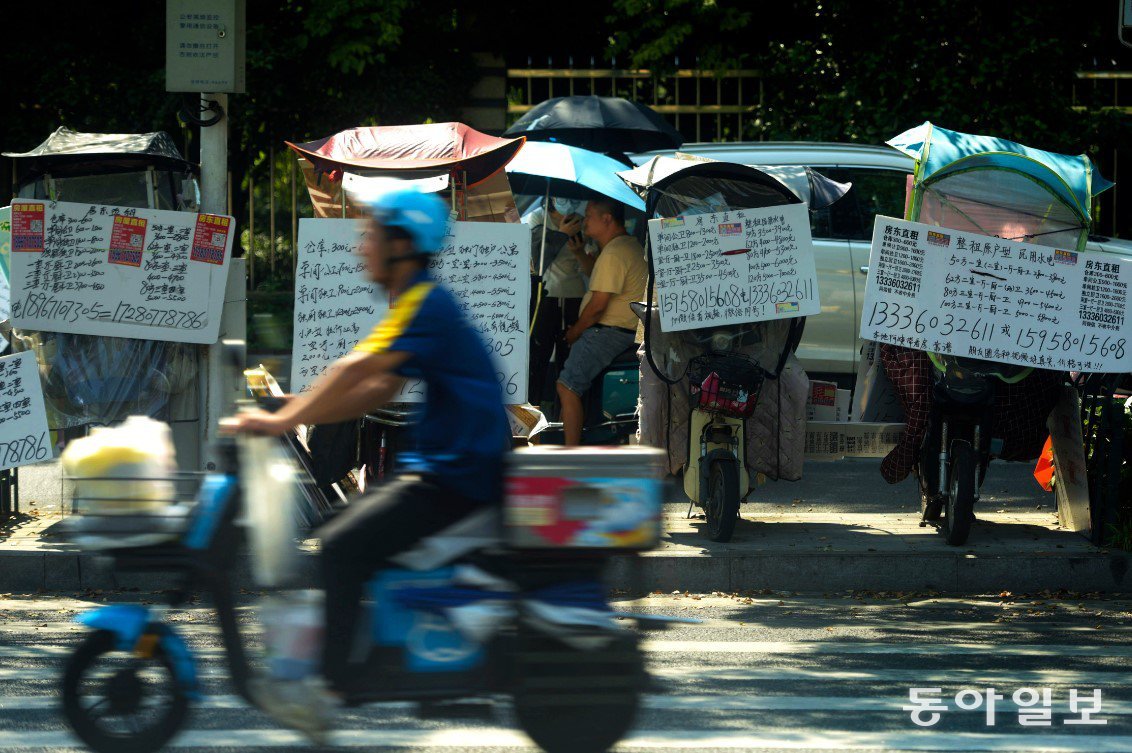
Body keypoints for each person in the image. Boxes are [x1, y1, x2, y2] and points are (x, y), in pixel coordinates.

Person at [229, 186, 511, 740]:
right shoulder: (417, 302)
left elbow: (358, 370)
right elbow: (377, 387)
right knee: (351, 532)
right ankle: (389, 655)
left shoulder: (425, 303)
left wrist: (283, 421)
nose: (362, 246)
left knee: (340, 544)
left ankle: (333, 686)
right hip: (449, 467)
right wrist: (296, 408)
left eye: (372, 235)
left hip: (458, 474)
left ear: (402, 244)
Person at [555, 198, 648, 445]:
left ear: (607, 219)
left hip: (609, 332)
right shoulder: (623, 247)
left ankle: (571, 453)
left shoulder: (616, 251)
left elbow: (597, 307)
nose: (584, 221)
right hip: (624, 331)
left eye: (589, 216)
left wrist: (574, 332)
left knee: (567, 386)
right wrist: (578, 253)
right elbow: (598, 273)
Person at [526, 198, 595, 405]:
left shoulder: (583, 221)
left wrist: (578, 251)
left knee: (568, 362)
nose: (566, 201)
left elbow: (592, 270)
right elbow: (534, 259)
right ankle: (532, 408)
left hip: (574, 296)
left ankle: (563, 414)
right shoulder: (538, 217)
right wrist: (560, 235)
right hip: (544, 295)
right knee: (537, 357)